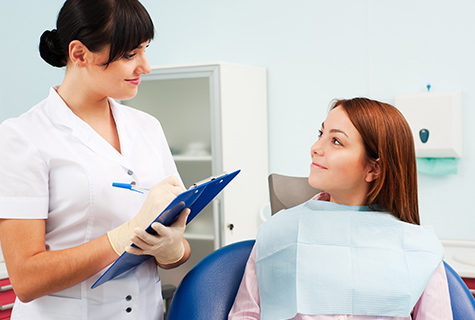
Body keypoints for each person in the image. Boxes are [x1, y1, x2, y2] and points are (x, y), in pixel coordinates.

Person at [0, 1, 191, 319]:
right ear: (79, 54)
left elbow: (175, 255)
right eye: (130, 55)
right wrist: (125, 234)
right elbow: (26, 279)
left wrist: (171, 248)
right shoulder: (23, 136)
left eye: (145, 50)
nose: (145, 66)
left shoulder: (147, 127)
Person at [229, 98, 452, 319]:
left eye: (336, 141)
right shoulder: (279, 231)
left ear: (374, 169)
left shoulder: (419, 250)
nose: (315, 148)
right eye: (321, 134)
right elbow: (245, 315)